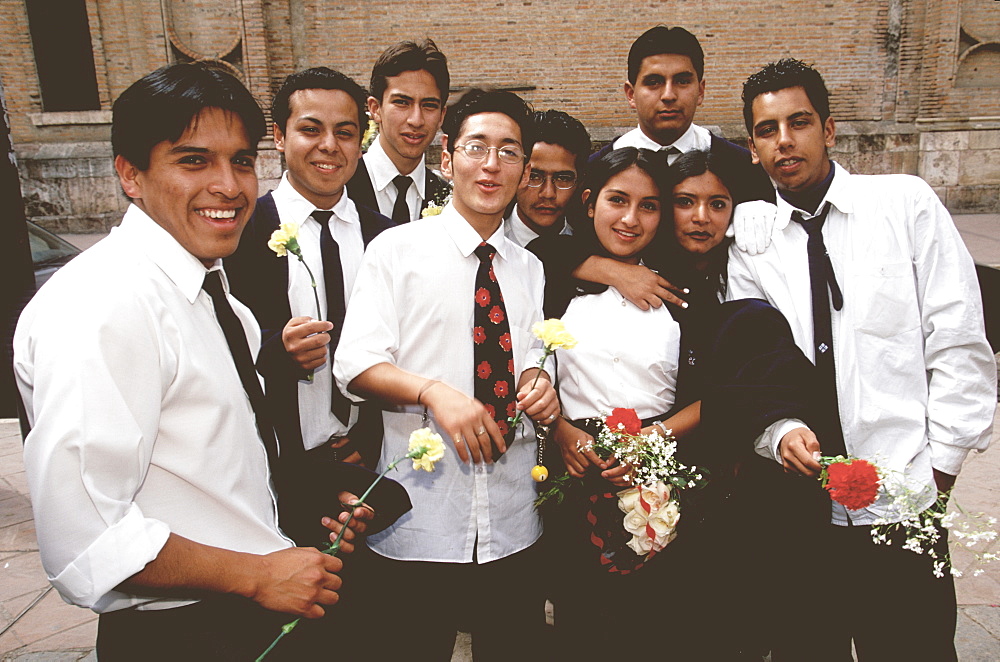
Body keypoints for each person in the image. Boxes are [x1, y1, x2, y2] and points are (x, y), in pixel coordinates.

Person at [12, 62, 369, 661]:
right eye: (194, 161)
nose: (229, 186)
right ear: (131, 174)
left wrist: (308, 509)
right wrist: (257, 575)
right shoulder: (103, 305)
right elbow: (88, 541)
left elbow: (212, 462)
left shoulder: (212, 289)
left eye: (243, 161)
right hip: (182, 634)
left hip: (247, 612)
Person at [729, 58, 996, 660]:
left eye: (798, 122)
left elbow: (957, 338)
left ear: (828, 128)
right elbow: (751, 362)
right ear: (752, 148)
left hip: (905, 496)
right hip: (803, 516)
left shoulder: (903, 204)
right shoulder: (753, 239)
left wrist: (941, 469)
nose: (784, 140)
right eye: (767, 130)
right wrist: (780, 433)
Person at [542, 146, 825, 660]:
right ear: (588, 202)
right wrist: (560, 430)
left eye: (649, 205)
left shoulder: (680, 290)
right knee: (580, 622)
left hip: (663, 473)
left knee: (659, 621)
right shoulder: (552, 277)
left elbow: (720, 388)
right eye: (617, 200)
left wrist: (657, 439)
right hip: (573, 471)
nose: (631, 218)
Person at [334, 88, 559, 661]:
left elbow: (532, 355)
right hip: (420, 522)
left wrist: (539, 382)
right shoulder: (396, 251)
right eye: (476, 147)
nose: (491, 165)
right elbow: (355, 364)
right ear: (446, 159)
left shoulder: (530, 269)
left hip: (512, 522)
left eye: (509, 152)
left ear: (524, 170)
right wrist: (432, 391)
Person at [226, 67, 396, 548]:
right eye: (310, 129)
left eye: (345, 132)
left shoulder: (384, 238)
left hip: (366, 465)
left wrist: (367, 445)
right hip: (275, 474)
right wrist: (274, 352)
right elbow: (216, 348)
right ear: (279, 136)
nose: (329, 145)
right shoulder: (241, 233)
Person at [557, 25, 773, 313]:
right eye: (654, 82)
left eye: (682, 81)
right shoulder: (594, 170)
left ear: (701, 90)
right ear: (631, 93)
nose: (669, 95)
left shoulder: (743, 167)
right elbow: (553, 245)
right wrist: (612, 271)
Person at [346, 39, 452, 223]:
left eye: (429, 105)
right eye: (402, 102)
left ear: (442, 115)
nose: (416, 120)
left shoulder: (449, 201)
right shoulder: (341, 184)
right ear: (375, 108)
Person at [503, 109, 590, 248]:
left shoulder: (592, 246)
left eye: (563, 178)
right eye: (534, 176)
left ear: (579, 183)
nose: (548, 193)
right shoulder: (485, 243)